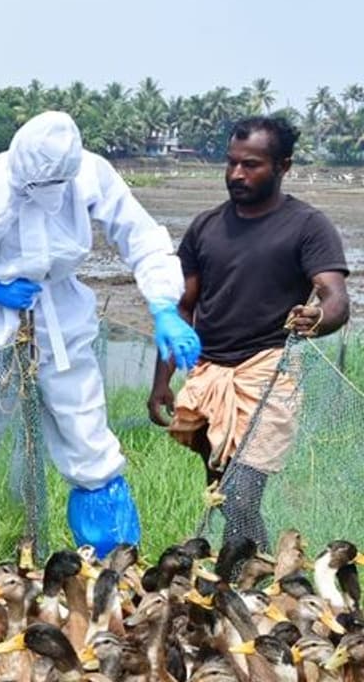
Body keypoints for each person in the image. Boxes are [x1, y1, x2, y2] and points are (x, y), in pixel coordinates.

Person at [0, 110, 200, 558]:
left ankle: (112, 554)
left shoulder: (89, 174)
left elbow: (140, 235)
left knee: (86, 432)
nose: (47, 196)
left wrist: (162, 304)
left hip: (61, 319)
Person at [148, 116, 349, 550]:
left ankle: (236, 582)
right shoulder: (205, 226)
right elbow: (182, 308)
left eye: (252, 165)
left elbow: (334, 298)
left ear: (283, 166)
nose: (237, 174)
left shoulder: (308, 226)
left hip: (267, 373)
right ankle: (248, 574)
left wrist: (317, 319)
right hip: (209, 374)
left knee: (240, 495)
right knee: (222, 491)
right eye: (231, 163)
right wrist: (161, 382)